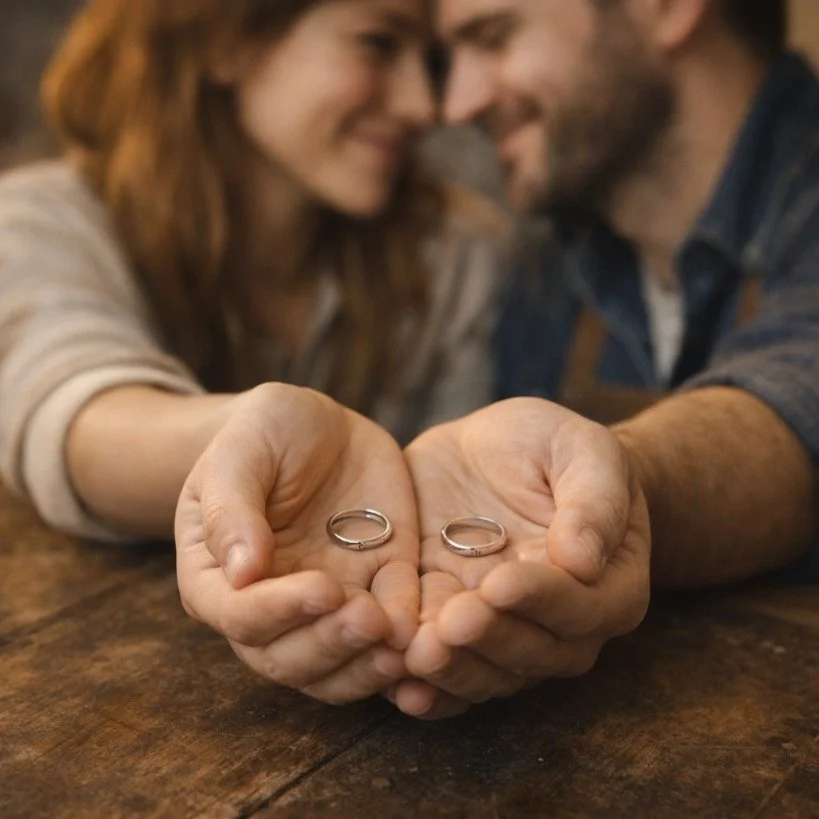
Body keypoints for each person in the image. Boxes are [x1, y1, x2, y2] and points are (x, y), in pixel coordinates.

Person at [0, 0, 507, 705]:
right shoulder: (36, 223)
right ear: (226, 40)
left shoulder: (457, 253)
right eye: (377, 43)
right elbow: (71, 401)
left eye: (432, 61)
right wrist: (253, 442)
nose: (427, 105)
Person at [383, 0, 819, 719]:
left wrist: (608, 486)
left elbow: (799, 392)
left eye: (493, 36)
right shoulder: (542, 267)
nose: (454, 103)